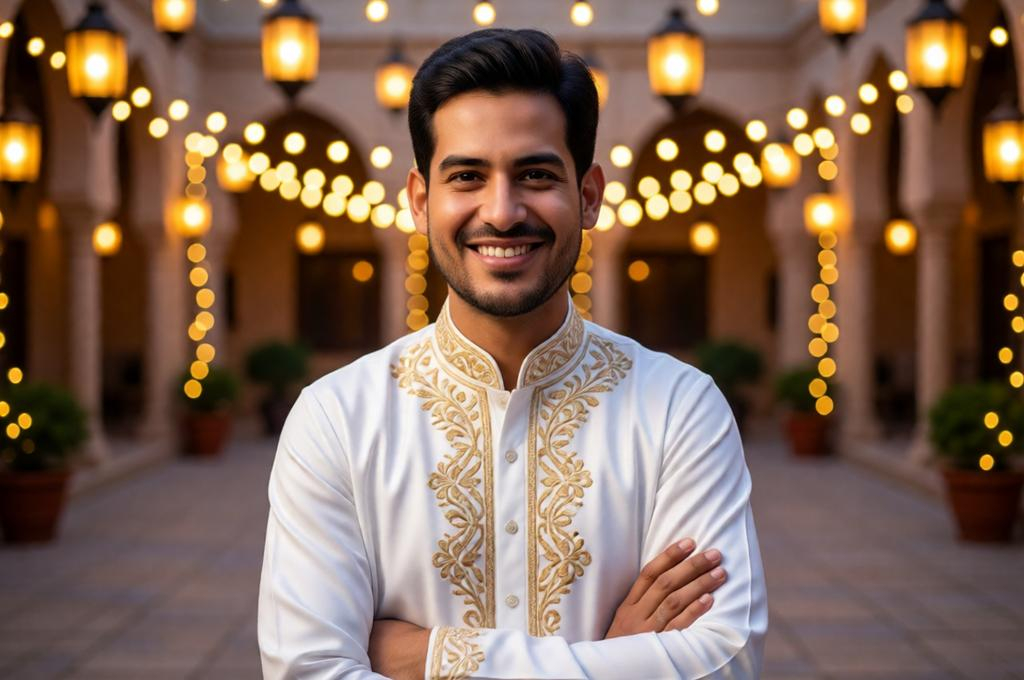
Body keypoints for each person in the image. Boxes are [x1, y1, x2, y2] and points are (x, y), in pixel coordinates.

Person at [258, 28, 767, 680]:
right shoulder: (336, 418)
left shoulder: (678, 410)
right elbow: (308, 672)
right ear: (420, 200)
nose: (501, 212)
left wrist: (435, 657)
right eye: (467, 176)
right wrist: (614, 661)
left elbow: (724, 662)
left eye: (535, 175)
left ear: (587, 196)